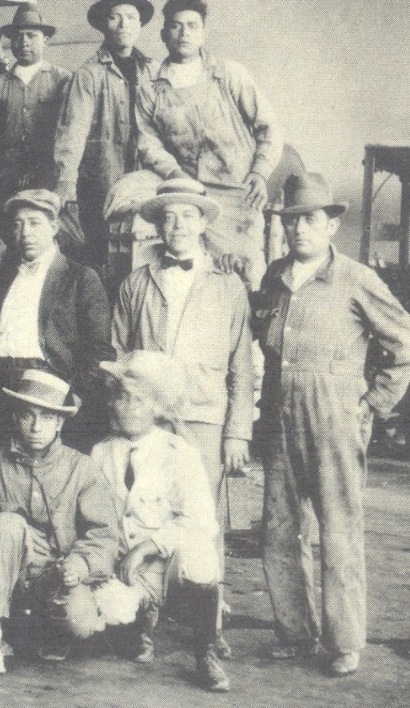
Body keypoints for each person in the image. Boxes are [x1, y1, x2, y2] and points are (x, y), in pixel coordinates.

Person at [254, 173, 410, 677]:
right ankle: (294, 632)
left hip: (334, 418)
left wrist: (374, 401)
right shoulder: (274, 277)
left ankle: (345, 641)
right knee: (280, 531)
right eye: (290, 220)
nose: (298, 229)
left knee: (339, 531)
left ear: (331, 224)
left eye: (309, 219)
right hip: (281, 417)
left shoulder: (355, 278)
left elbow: (408, 342)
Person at [111, 177, 255, 650]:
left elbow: (241, 365)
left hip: (204, 415)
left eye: (187, 215)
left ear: (202, 223)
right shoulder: (135, 283)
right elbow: (118, 356)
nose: (177, 225)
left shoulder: (229, 287)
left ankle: (209, 620)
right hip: (149, 415)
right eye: (168, 216)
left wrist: (238, 432)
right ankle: (146, 607)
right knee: (145, 505)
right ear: (157, 223)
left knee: (203, 515)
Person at [0, 370, 120, 674]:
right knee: (7, 525)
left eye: (47, 417)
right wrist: (14, 531)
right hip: (6, 569)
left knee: (80, 622)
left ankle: (47, 632)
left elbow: (104, 533)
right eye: (27, 416)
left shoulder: (82, 468)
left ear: (60, 423)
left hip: (56, 574)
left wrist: (82, 564)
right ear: (15, 418)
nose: (36, 427)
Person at [91, 350, 228, 692]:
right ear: (112, 402)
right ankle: (140, 624)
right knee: (107, 620)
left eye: (141, 400)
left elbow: (201, 520)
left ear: (157, 408)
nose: (131, 407)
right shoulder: (101, 452)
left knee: (201, 558)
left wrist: (149, 546)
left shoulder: (176, 451)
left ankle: (206, 653)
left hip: (163, 563)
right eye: (123, 397)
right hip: (120, 564)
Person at [135, 0, 283, 289]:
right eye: (176, 26)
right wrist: (173, 173)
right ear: (164, 34)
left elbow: (269, 127)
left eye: (192, 26)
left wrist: (259, 172)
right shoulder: (151, 89)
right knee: (192, 279)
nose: (184, 33)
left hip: (237, 195)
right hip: (188, 197)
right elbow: (147, 140)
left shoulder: (229, 75)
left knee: (246, 276)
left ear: (204, 33)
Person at [0, 189, 112, 449]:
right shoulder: (1, 280)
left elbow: (100, 353)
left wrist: (74, 396)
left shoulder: (80, 278)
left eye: (34, 223)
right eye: (18, 224)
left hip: (51, 391)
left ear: (54, 226)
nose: (25, 232)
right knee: (0, 470)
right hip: (0, 391)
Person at [54, 0, 158, 269]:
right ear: (103, 24)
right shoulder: (88, 75)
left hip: (145, 186)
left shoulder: (151, 70)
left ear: (139, 24)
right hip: (99, 188)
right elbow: (71, 136)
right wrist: (66, 188)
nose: (124, 24)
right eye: (115, 17)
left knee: (145, 256)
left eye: (131, 17)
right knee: (101, 261)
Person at [0, 4, 72, 204]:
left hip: (47, 178)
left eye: (31, 35)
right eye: (18, 36)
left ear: (46, 40)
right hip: (4, 179)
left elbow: (72, 131)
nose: (24, 42)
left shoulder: (63, 81)